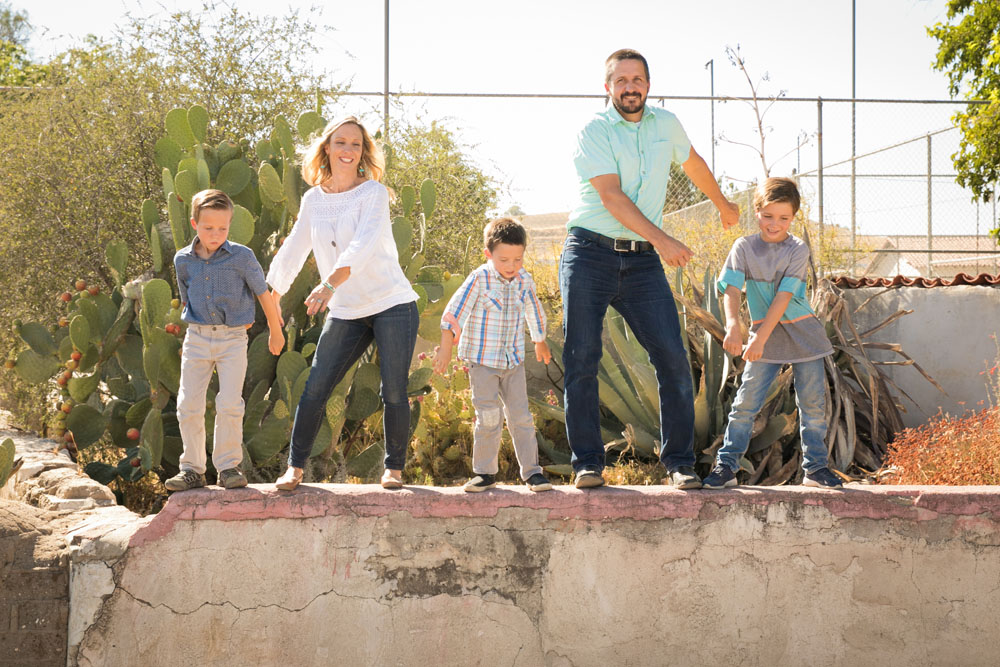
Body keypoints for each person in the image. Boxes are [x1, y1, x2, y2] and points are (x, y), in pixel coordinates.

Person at [561, 48, 740, 490]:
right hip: (589, 253)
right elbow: (612, 198)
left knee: (673, 358)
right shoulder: (594, 130)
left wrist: (722, 203)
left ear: (648, 85)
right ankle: (587, 463)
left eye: (637, 79)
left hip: (641, 262)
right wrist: (664, 240)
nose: (630, 87)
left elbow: (693, 162)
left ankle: (679, 463)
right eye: (620, 80)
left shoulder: (667, 125)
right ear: (608, 88)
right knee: (582, 357)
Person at [267, 116, 419, 491]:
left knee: (393, 390)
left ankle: (394, 470)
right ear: (327, 149)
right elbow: (295, 247)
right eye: (340, 142)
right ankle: (294, 468)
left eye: (355, 144)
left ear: (363, 152)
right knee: (316, 386)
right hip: (347, 309)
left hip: (391, 303)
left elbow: (363, 246)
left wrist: (327, 285)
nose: (348, 150)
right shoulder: (312, 200)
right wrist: (272, 296)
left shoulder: (374, 194)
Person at [702, 177, 842, 489]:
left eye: (783, 218)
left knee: (813, 407)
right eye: (768, 216)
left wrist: (759, 339)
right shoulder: (744, 247)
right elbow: (732, 289)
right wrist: (733, 326)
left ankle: (816, 470)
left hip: (802, 334)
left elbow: (783, 298)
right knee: (745, 404)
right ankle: (726, 468)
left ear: (793, 218)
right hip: (761, 336)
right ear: (757, 212)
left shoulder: (797, 249)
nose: (774, 224)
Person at [165, 189, 285, 492]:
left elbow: (262, 292)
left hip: (233, 339)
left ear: (230, 225)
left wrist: (275, 329)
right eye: (208, 228)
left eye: (223, 228)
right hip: (197, 337)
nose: (215, 234)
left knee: (230, 404)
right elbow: (186, 297)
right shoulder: (183, 260)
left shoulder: (242, 257)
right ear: (194, 224)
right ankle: (191, 469)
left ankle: (229, 467)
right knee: (188, 404)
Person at [433, 217, 554, 493]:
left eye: (518, 259)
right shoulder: (479, 279)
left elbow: (534, 311)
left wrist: (540, 341)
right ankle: (484, 473)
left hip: (513, 362)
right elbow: (455, 311)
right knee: (488, 416)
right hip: (482, 362)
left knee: (521, 417)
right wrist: (446, 344)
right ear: (488, 254)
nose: (511, 267)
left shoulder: (525, 280)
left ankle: (532, 473)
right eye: (504, 260)